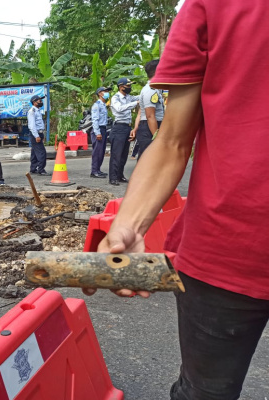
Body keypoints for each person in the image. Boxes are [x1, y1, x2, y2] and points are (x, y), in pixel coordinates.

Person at [87, 0, 269, 398]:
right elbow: (172, 140)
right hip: (225, 254)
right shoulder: (212, 7)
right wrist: (129, 225)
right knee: (204, 392)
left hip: (222, 253)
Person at [109, 77, 139, 186]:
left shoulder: (128, 97)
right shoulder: (116, 98)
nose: (130, 88)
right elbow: (119, 108)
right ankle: (113, 178)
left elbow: (139, 97)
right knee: (116, 154)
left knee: (124, 154)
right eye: (128, 86)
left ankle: (120, 176)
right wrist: (135, 103)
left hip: (127, 127)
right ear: (121, 87)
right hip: (119, 128)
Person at [132, 60, 164, 159]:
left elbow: (141, 112)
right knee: (147, 159)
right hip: (149, 127)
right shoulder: (150, 90)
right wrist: (156, 137)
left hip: (150, 126)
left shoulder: (156, 89)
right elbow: (150, 116)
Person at [90, 87, 110, 179]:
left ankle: (98, 169)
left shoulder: (103, 105)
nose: (107, 93)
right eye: (105, 91)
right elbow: (95, 120)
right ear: (100, 94)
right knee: (97, 151)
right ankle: (94, 171)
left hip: (103, 129)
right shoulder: (96, 105)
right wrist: (97, 133)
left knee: (101, 151)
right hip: (98, 130)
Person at [27, 95, 49, 176]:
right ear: (34, 102)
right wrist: (36, 136)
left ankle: (33, 168)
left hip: (39, 133)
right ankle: (41, 169)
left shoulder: (38, 111)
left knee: (34, 152)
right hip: (35, 134)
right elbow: (32, 125)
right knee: (41, 152)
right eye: (39, 100)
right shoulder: (32, 111)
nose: (41, 102)